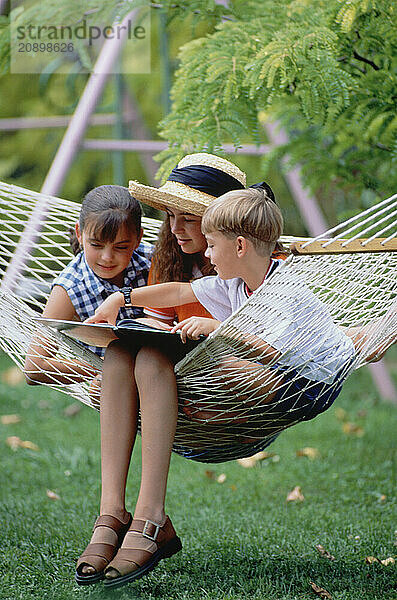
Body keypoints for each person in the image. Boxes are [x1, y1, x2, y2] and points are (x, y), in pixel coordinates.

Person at [83, 185, 357, 590]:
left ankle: (156, 502)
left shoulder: (285, 291)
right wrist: (122, 298)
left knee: (210, 362)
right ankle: (117, 514)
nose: (206, 255)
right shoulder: (233, 284)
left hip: (304, 381)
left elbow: (272, 353)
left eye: (212, 246)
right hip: (262, 366)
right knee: (127, 352)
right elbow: (179, 291)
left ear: (241, 246)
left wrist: (219, 330)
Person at [74, 153, 253, 589]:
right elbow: (159, 315)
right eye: (171, 216)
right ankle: (112, 511)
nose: (176, 228)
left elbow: (261, 336)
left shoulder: (247, 266)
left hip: (224, 381)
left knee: (151, 357)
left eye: (190, 218)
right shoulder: (170, 259)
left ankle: (151, 515)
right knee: (118, 353)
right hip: (169, 377)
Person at [24, 184, 152, 385]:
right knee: (98, 388)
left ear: (138, 238)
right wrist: (103, 367)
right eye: (96, 245)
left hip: (160, 366)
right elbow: (34, 368)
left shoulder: (152, 261)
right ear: (79, 234)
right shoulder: (71, 286)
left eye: (121, 247)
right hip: (111, 381)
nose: (107, 257)